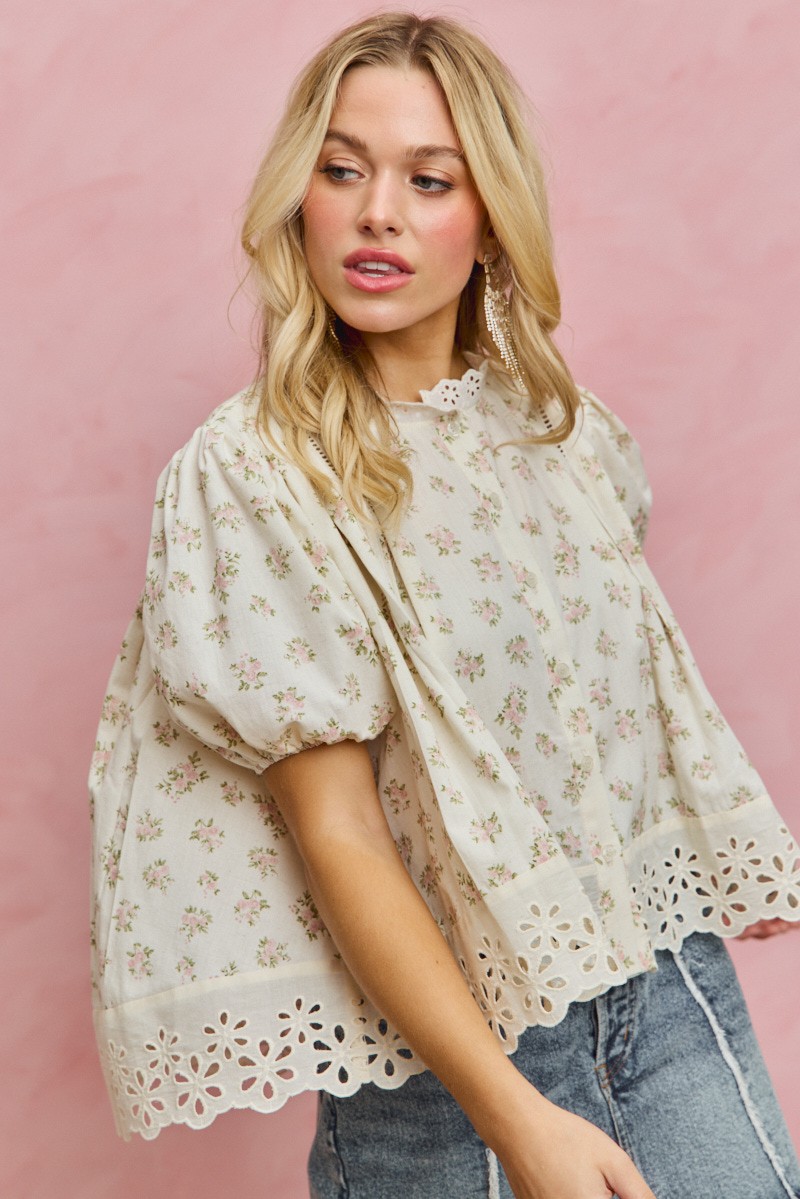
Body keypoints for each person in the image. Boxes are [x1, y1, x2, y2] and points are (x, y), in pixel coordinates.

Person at [89, 12, 800, 1198]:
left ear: (490, 216)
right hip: (442, 1065)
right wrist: (514, 1117)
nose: (377, 213)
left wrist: (693, 853)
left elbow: (605, 719)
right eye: (342, 170)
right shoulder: (252, 475)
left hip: (669, 994)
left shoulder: (564, 433)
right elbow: (339, 832)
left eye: (428, 179)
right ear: (298, 197)